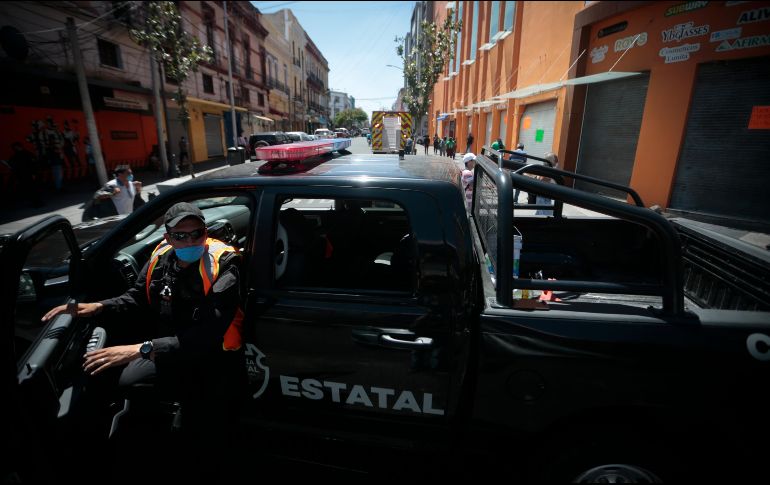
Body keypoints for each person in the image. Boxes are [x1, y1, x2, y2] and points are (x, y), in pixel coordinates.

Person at [42, 202, 246, 482]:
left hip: (209, 359)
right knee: (117, 379)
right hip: (169, 348)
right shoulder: (160, 257)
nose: (190, 241)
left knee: (205, 439)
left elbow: (204, 337)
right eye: (180, 236)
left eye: (196, 233)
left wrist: (141, 349)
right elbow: (137, 297)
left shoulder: (223, 267)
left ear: (205, 232)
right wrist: (98, 306)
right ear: (167, 238)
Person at [8, 142, 43, 207]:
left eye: (16, 147)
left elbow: (33, 164)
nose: (15, 149)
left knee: (32, 189)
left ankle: (37, 202)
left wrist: (34, 173)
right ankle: (35, 202)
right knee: (29, 189)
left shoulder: (27, 154)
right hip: (23, 175)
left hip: (28, 174)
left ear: (19, 147)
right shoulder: (17, 155)